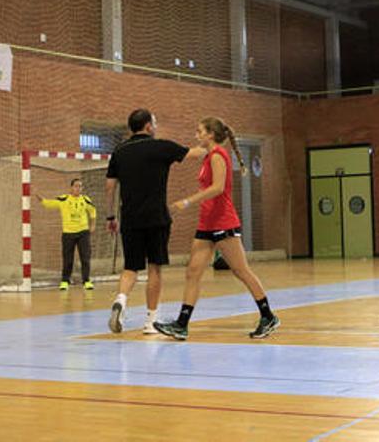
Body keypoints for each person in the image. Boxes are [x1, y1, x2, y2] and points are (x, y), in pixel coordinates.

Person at [153, 117, 279, 341]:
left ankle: (268, 316)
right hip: (207, 223)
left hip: (223, 222)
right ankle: (181, 324)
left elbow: (218, 188)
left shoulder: (219, 155)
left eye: (199, 131)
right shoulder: (209, 156)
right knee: (193, 272)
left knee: (241, 271)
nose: (196, 135)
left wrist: (187, 201)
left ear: (210, 134)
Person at [105, 109, 205, 334]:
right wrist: (214, 142)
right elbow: (196, 153)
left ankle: (121, 300)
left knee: (130, 267)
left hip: (130, 218)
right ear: (148, 126)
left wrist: (111, 216)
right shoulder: (162, 147)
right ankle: (150, 321)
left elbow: (109, 187)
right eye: (155, 123)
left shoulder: (119, 151)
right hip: (157, 218)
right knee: (155, 269)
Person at [36, 179, 97, 290]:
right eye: (76, 186)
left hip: (83, 232)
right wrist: (42, 200)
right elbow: (50, 204)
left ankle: (87, 281)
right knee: (68, 259)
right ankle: (65, 281)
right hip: (68, 233)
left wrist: (92, 225)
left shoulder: (85, 200)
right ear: (71, 188)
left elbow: (93, 211)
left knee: (85, 258)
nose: (78, 188)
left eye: (80, 186)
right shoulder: (64, 199)